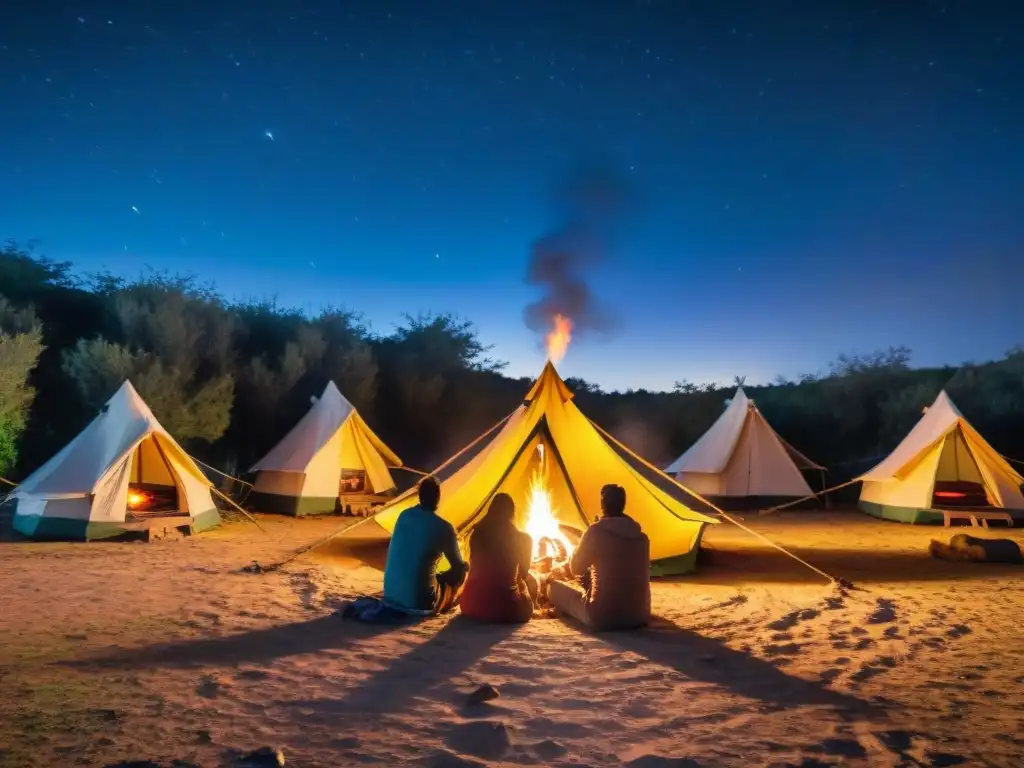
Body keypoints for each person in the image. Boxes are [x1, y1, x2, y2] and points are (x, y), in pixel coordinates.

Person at [548, 483, 651, 631]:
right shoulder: (642, 537)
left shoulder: (596, 531)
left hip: (602, 618)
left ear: (602, 504)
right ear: (623, 504)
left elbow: (575, 568)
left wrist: (584, 540)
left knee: (553, 588)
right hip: (639, 616)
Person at [382, 476, 467, 615]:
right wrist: (464, 566)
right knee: (462, 570)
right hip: (419, 604)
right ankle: (447, 602)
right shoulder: (444, 527)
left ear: (419, 496)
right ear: (438, 498)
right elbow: (457, 566)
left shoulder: (404, 515)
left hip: (390, 596)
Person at [460, 493, 538, 623]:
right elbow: (523, 574)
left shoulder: (477, 534)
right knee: (525, 585)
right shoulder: (523, 539)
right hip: (506, 610)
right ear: (512, 514)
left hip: (470, 605)